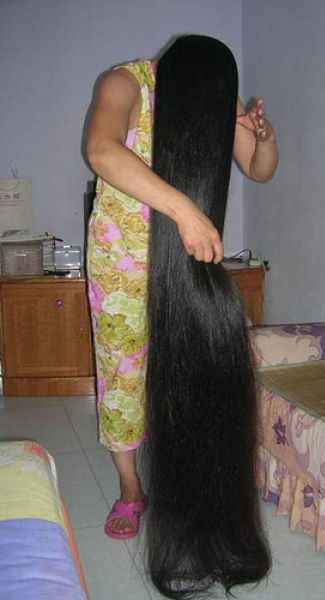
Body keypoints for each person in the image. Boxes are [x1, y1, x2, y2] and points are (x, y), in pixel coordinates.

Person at [85, 37, 279, 540]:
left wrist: (263, 138)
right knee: (124, 373)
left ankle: (188, 476)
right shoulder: (125, 83)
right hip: (123, 262)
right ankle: (131, 489)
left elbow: (259, 170)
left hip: (186, 258)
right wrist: (185, 211)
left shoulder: (214, 97)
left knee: (190, 367)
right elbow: (101, 150)